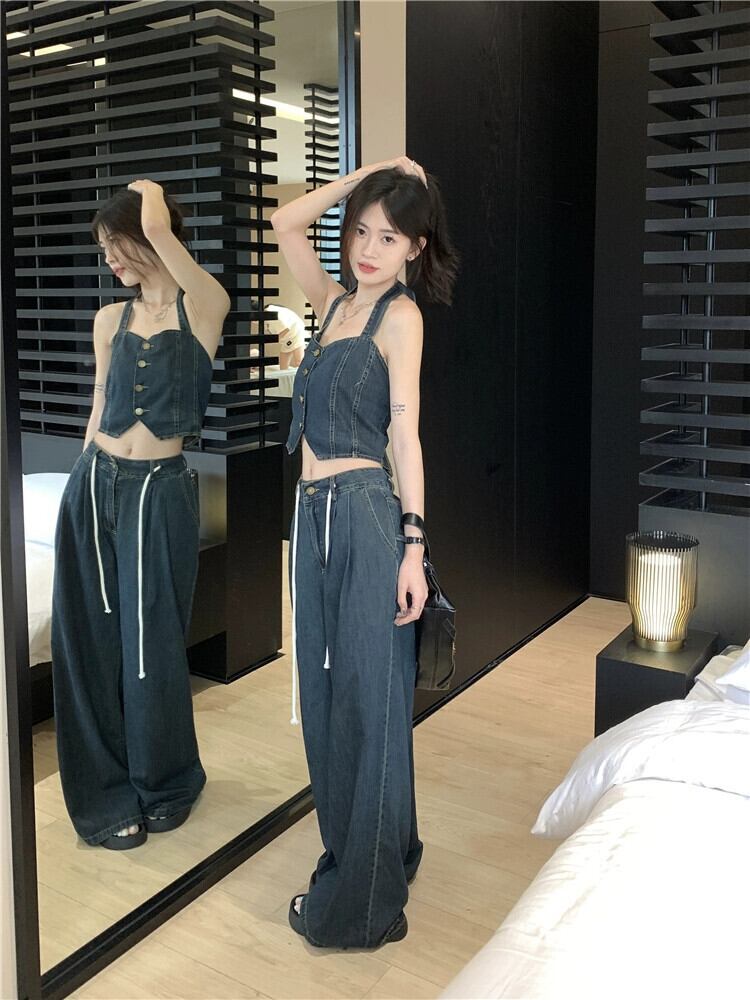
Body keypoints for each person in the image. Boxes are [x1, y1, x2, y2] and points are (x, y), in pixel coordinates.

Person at [271, 155, 458, 947]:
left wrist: (414, 548)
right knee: (326, 701)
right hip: (311, 518)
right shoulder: (334, 304)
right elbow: (284, 222)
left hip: (364, 515)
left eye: (388, 237)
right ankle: (387, 852)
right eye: (360, 233)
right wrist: (365, 175)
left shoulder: (400, 318)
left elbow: (404, 437)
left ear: (416, 246)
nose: (369, 249)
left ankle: (362, 908)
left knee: (368, 704)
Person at [51, 180, 230, 850]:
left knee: (154, 643)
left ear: (148, 234)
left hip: (161, 490)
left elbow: (161, 236)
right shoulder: (110, 320)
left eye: (115, 244)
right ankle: (104, 795)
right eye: (103, 250)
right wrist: (78, 484)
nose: (110, 260)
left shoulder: (203, 307)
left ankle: (168, 781)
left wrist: (150, 197)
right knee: (90, 644)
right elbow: (99, 406)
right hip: (96, 482)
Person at [266, 303, 306, 369]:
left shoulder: (270, 312)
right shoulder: (270, 310)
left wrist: (274, 339)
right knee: (283, 366)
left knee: (299, 361)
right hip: (289, 336)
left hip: (295, 332)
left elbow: (285, 329)